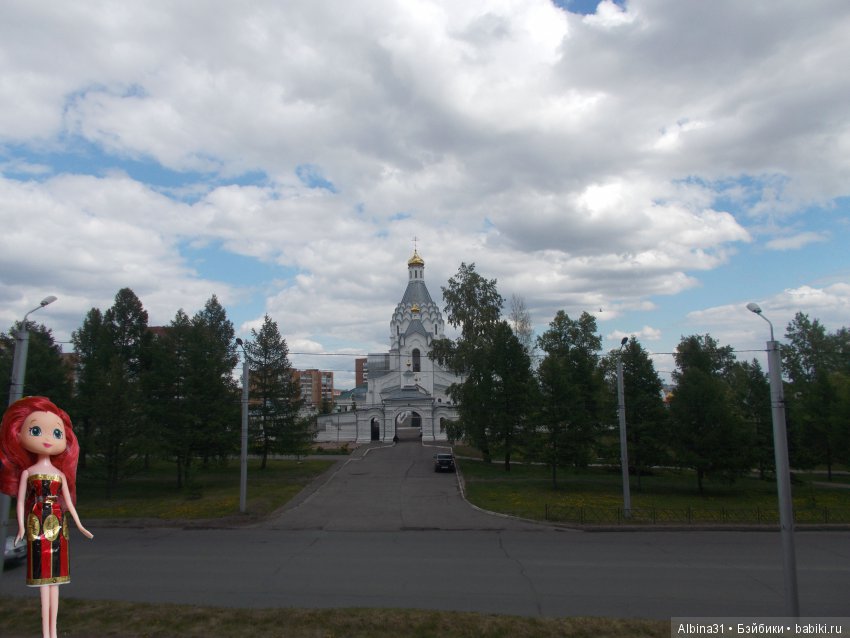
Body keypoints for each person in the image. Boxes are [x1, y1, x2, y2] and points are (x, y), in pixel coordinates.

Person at [0, 396, 94, 638]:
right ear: (18, 434)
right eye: (35, 430)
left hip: (59, 526)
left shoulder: (60, 475)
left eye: (57, 433)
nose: (48, 438)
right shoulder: (28, 473)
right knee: (43, 582)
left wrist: (80, 525)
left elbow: (68, 503)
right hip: (36, 524)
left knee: (56, 582)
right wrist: (21, 528)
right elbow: (20, 501)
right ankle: (46, 632)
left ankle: (54, 631)